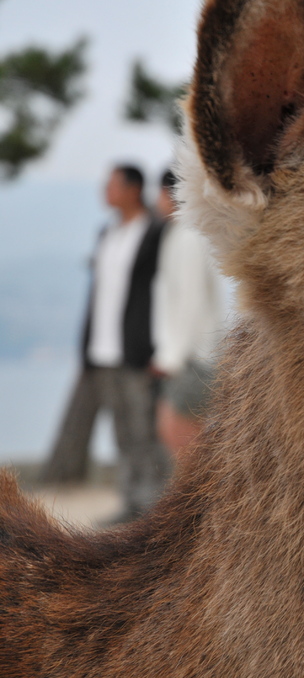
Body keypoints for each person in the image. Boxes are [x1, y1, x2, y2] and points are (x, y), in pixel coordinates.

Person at [64, 164, 169, 522]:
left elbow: (165, 291)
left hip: (137, 349)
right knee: (122, 432)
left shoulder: (156, 231)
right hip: (101, 349)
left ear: (133, 188)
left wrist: (162, 346)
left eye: (111, 184)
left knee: (144, 429)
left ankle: (154, 508)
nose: (104, 191)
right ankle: (130, 502)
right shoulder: (106, 232)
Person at [151, 169, 225, 459]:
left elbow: (191, 301)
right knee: (181, 435)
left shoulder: (188, 236)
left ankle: (202, 503)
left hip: (196, 357)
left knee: (180, 435)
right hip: (194, 355)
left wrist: (170, 357)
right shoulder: (185, 234)